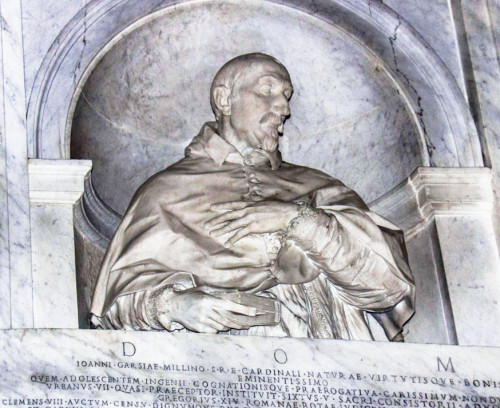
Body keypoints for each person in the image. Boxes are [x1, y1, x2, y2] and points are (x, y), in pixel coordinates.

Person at [91, 53, 415, 341]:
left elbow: (388, 287)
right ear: (224, 100)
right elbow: (112, 309)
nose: (284, 109)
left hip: (327, 359)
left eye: (286, 97)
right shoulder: (165, 192)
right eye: (268, 91)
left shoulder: (318, 186)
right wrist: (174, 306)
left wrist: (295, 219)